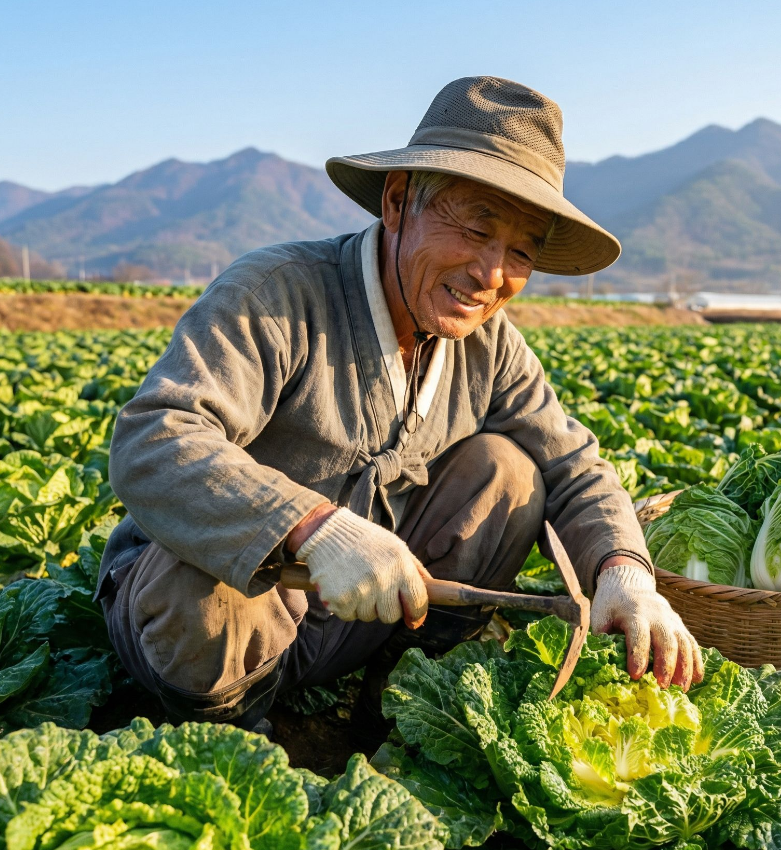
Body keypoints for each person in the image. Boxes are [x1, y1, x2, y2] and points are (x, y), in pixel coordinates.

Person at [97, 75, 703, 734]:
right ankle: (233, 734)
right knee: (209, 582)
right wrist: (311, 525)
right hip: (207, 629)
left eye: (521, 251)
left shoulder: (491, 346)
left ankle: (398, 705)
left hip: (359, 621)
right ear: (396, 202)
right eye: (476, 227)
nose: (492, 273)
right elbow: (154, 438)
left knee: (511, 471)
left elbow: (574, 466)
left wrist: (623, 571)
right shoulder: (280, 295)